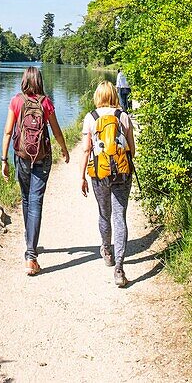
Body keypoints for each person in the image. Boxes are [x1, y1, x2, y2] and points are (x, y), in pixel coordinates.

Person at [1, 66, 70, 275]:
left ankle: (29, 241)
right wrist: (64, 149)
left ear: (24, 80)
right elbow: (56, 130)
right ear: (39, 80)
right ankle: (31, 255)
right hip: (42, 156)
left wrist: (4, 159)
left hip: (21, 156)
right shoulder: (46, 102)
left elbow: (7, 131)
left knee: (25, 198)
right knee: (36, 201)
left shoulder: (16, 101)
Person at [80, 80, 135, 288]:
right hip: (122, 173)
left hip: (99, 174)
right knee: (119, 216)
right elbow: (131, 148)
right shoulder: (123, 116)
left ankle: (107, 251)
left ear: (98, 97)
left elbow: (86, 150)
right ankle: (119, 270)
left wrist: (81, 176)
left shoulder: (91, 118)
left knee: (104, 213)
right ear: (113, 95)